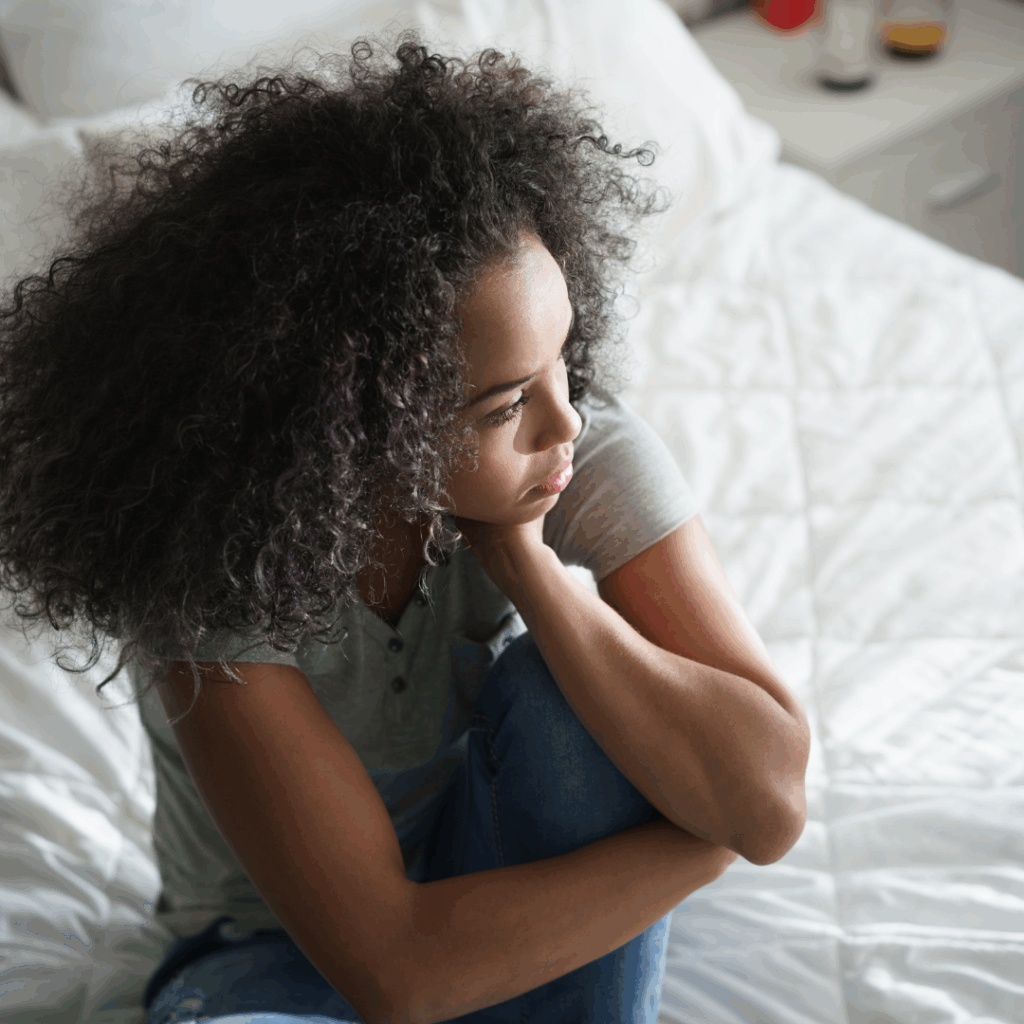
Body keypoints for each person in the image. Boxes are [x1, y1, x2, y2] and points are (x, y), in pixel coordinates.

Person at [0, 31, 809, 1024]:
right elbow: (398, 971)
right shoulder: (212, 572)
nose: (564, 419)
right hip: (273, 951)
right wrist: (703, 839)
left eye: (565, 358)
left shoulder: (574, 446)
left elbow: (769, 794)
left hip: (498, 868)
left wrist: (530, 568)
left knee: (574, 699)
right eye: (503, 402)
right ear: (355, 421)